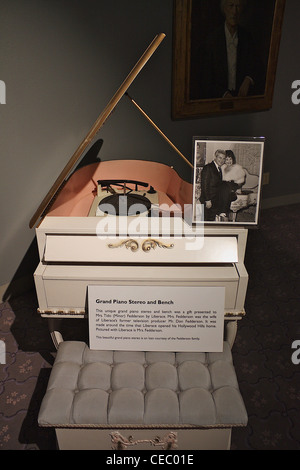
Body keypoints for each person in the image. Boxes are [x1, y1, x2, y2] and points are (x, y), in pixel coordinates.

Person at [197, 0, 260, 99]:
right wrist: (223, 94)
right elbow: (205, 79)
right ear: (224, 9)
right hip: (217, 100)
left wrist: (248, 79)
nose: (234, 11)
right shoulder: (212, 40)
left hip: (242, 100)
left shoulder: (247, 38)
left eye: (238, 6)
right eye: (231, 6)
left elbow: (257, 67)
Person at [217, 149, 246, 219]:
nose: (229, 161)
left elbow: (241, 181)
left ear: (233, 159)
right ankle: (222, 213)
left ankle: (223, 212)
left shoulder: (237, 168)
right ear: (224, 160)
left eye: (230, 159)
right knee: (222, 187)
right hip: (224, 187)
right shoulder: (222, 168)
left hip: (233, 185)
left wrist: (238, 189)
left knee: (225, 184)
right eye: (226, 159)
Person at [200, 149, 226, 221]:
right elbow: (204, 185)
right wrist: (207, 200)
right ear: (215, 157)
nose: (222, 160)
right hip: (208, 200)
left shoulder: (219, 169)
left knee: (211, 220)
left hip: (215, 200)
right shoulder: (208, 167)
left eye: (223, 158)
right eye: (220, 158)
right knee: (206, 221)